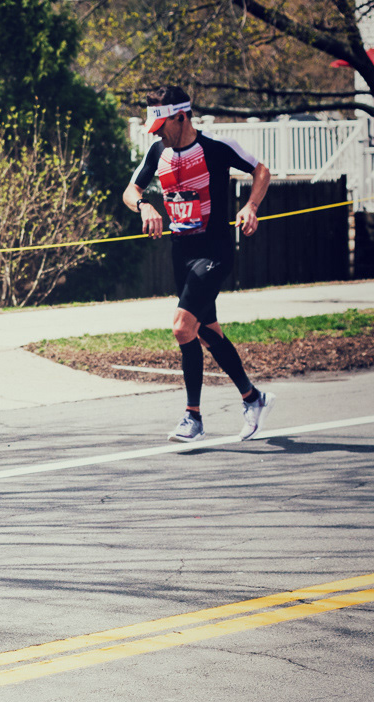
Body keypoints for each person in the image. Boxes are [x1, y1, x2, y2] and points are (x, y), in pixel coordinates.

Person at [123, 85, 275, 442]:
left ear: (181, 117)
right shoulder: (158, 151)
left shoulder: (216, 147)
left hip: (215, 252)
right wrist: (144, 206)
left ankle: (193, 417)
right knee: (206, 332)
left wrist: (251, 206)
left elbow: (262, 171)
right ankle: (253, 398)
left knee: (182, 327)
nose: (157, 134)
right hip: (181, 253)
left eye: (161, 126)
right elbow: (131, 190)